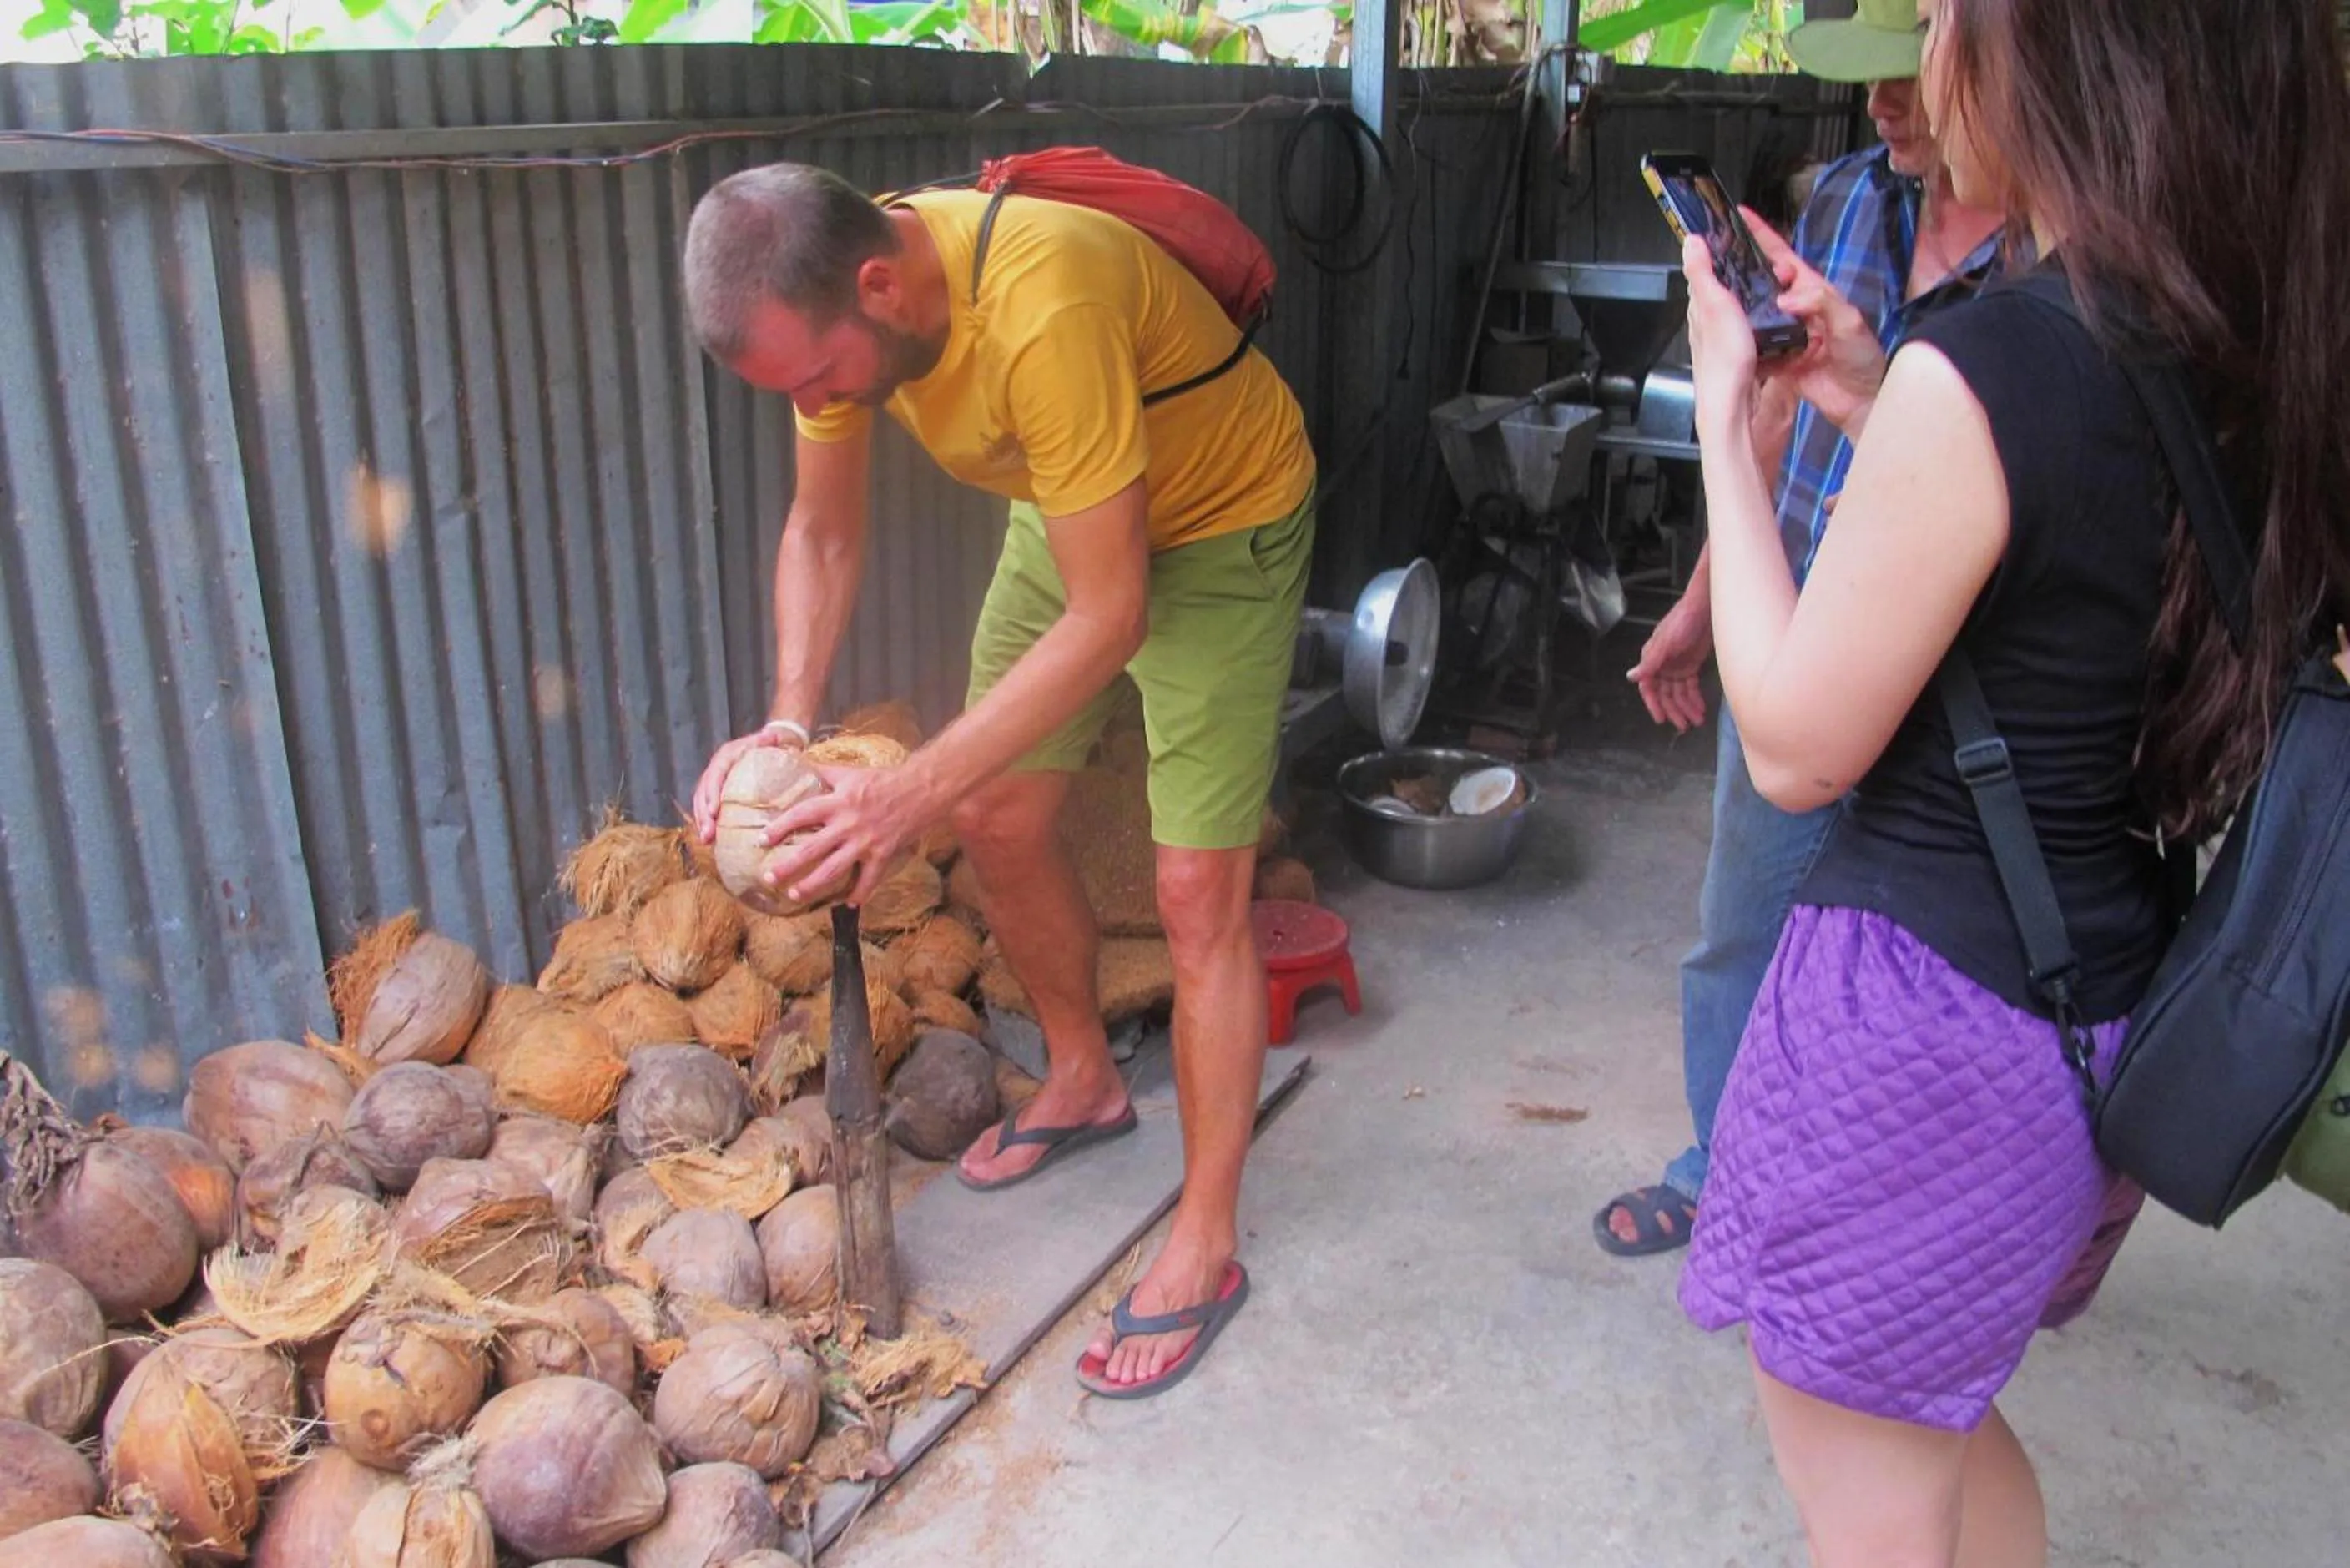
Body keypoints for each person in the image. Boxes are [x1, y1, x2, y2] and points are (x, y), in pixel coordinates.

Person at [1675, 0, 2350, 1561]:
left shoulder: (1996, 367)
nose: (1932, 43)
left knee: (1877, 1498)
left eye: (1948, 9)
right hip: (2092, 1004)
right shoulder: (2240, 348)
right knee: (1947, 1430)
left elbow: (1790, 742)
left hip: (1921, 1043)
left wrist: (1731, 415)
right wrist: (1866, 384)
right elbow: (2070, 548)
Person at [679, 164, 1319, 1399]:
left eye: (816, 381)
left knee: (1196, 891)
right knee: (995, 811)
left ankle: (1205, 1233)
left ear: (879, 285)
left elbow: (1112, 612)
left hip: (1223, 516)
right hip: (1075, 509)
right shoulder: (840, 307)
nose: (815, 405)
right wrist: (785, 725)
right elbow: (821, 529)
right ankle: (1084, 1079)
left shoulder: (1042, 303)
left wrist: (898, 791)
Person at [1596, 0, 2005, 1256]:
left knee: (1930, 969)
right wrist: (1705, 603)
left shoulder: (2065, 256)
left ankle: (1905, 1212)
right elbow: (1775, 426)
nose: (1881, 101)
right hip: (1807, 632)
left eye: (1906, 72)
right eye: (1864, 74)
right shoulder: (1839, 200)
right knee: (1746, 919)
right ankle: (1726, 1163)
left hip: (1974, 675)